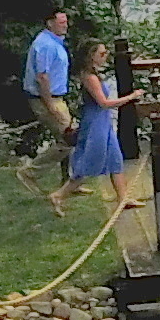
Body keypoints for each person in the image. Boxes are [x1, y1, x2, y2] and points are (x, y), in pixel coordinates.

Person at [55, 56, 130, 212]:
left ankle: (123, 198)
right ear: (91, 56)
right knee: (90, 161)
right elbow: (103, 103)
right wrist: (131, 97)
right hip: (95, 122)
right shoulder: (89, 77)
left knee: (115, 158)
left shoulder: (94, 74)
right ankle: (59, 195)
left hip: (104, 120)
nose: (105, 56)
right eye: (102, 54)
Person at [19, 7, 74, 182]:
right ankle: (30, 172)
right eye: (61, 23)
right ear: (50, 23)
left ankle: (69, 180)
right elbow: (42, 77)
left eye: (66, 22)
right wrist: (50, 105)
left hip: (57, 97)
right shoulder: (45, 45)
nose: (65, 26)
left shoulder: (55, 42)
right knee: (69, 138)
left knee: (67, 138)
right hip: (45, 99)